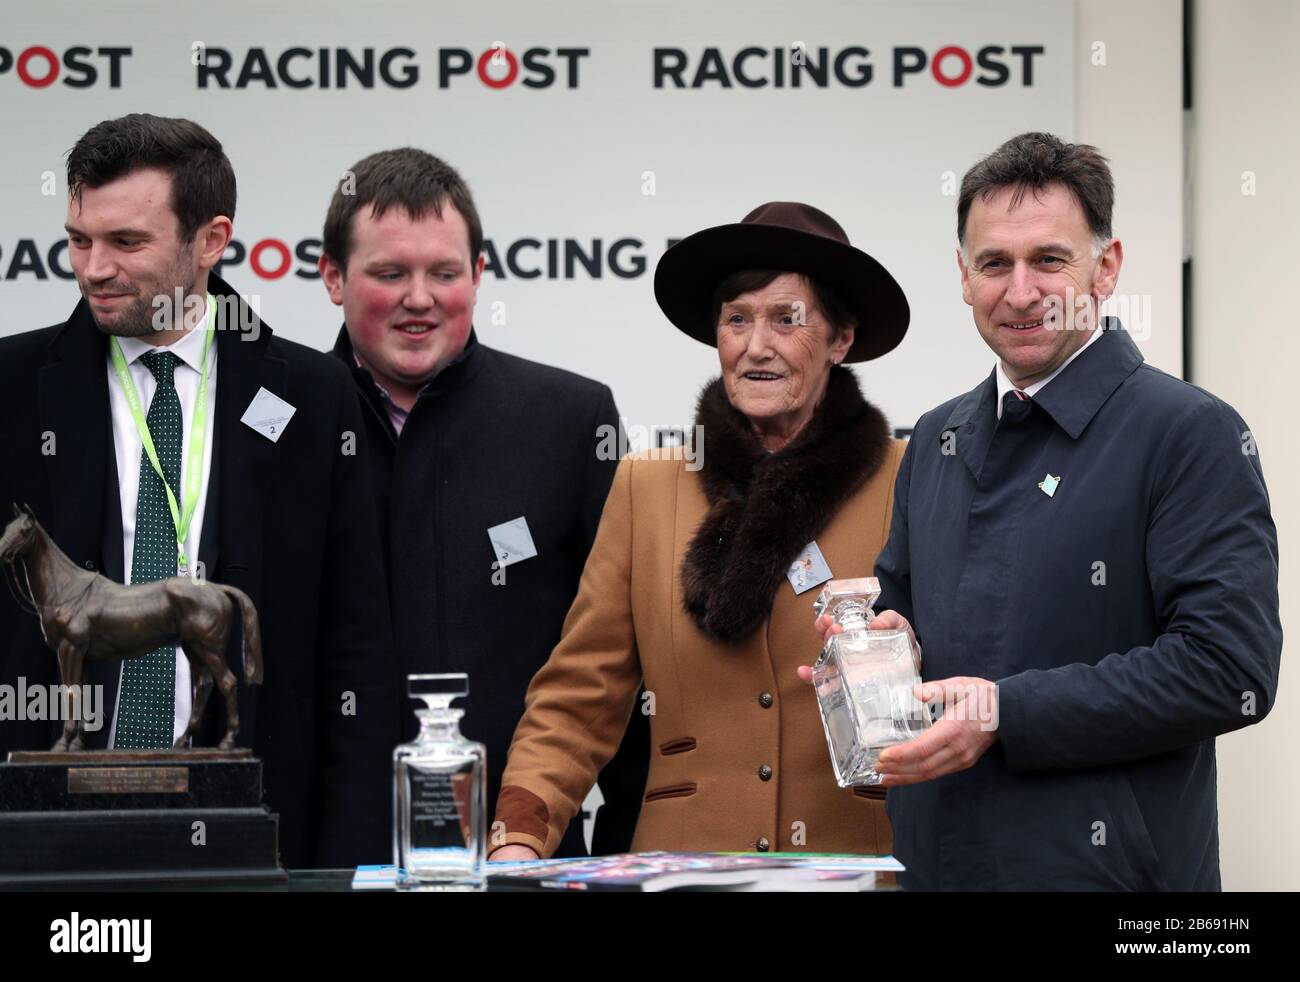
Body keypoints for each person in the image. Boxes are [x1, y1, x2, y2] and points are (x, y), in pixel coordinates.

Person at [811, 132, 1282, 890]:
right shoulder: (937, 436)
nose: (1021, 292)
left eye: (1049, 260)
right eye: (995, 263)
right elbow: (908, 622)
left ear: (1107, 267)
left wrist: (1004, 712)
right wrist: (881, 653)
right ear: (963, 278)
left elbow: (1230, 670)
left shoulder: (1188, 431)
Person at [0, 114, 397, 869]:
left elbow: (356, 653)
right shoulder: (11, 390)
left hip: (253, 835)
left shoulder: (317, 396)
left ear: (211, 240)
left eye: (126, 243)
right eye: (80, 240)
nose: (93, 268)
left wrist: (347, 871)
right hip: (41, 842)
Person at [490, 201, 911, 859]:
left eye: (786, 319)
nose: (756, 345)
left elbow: (969, 674)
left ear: (841, 338)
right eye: (737, 319)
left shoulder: (909, 481)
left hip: (861, 868)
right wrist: (518, 840)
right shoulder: (647, 488)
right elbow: (575, 704)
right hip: (685, 871)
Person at [318, 148, 648, 856]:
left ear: (479, 275)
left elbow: (622, 659)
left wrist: (627, 847)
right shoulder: (280, 422)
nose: (419, 297)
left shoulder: (569, 419)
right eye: (388, 273)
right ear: (332, 278)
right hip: (323, 861)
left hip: (523, 855)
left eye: (444, 272)